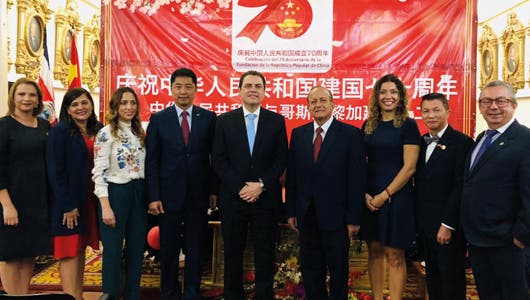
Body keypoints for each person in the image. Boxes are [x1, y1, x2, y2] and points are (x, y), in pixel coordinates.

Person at [212, 70, 288, 300]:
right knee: (233, 254)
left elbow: (281, 158)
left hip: (265, 200)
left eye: (258, 86)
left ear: (264, 91)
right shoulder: (224, 121)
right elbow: (218, 159)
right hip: (234, 199)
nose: (253, 89)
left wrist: (261, 185)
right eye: (248, 85)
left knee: (265, 254)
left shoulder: (276, 121)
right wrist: (241, 187)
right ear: (240, 90)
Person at [285, 86, 366, 299]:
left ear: (333, 104)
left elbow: (357, 179)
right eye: (313, 101)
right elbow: (293, 177)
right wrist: (291, 211)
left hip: (337, 217)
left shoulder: (351, 134)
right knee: (311, 270)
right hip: (307, 214)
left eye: (323, 100)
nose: (318, 105)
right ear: (308, 106)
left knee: (338, 270)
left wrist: (353, 218)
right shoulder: (299, 134)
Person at [145, 67, 218, 300]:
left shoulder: (208, 118)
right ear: (171, 89)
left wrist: (214, 190)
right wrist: (153, 195)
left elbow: (213, 158)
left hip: (198, 194)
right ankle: (168, 292)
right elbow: (152, 161)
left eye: (188, 86)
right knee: (168, 248)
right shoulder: (159, 119)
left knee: (195, 247)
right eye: (178, 87)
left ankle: (192, 292)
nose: (183, 91)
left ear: (196, 89)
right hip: (167, 197)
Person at [461, 80, 530, 299]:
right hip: (479, 239)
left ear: (513, 105)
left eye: (501, 101)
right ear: (480, 106)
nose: (493, 107)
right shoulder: (482, 138)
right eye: (487, 101)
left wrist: (521, 235)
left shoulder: (525, 139)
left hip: (509, 242)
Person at [360, 74, 421, 300]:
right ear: (376, 96)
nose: (388, 97)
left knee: (395, 254)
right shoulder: (369, 124)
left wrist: (384, 195)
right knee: (374, 251)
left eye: (393, 92)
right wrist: (366, 194)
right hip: (370, 197)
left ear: (401, 96)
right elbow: (359, 162)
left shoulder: (408, 124)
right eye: (383, 92)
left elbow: (410, 168)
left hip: (396, 196)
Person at [414, 93, 473, 300]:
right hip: (425, 226)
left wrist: (448, 224)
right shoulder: (420, 142)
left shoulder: (462, 142)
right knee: (434, 279)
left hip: (447, 227)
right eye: (426, 111)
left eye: (436, 110)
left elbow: (460, 187)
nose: (431, 115)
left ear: (448, 111)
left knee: (452, 282)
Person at [46, 88, 103, 300]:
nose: (81, 108)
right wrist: (67, 205)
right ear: (68, 110)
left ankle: (77, 295)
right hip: (68, 204)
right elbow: (55, 170)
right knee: (69, 252)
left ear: (91, 104)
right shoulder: (60, 131)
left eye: (84, 103)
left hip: (89, 200)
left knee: (80, 252)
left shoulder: (97, 129)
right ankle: (70, 296)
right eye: (75, 104)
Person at [92, 87, 147, 300]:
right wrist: (105, 206)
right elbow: (99, 172)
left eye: (133, 103)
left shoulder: (139, 132)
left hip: (138, 193)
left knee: (136, 250)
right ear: (115, 106)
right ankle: (111, 296)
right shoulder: (106, 133)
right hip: (115, 194)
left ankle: (133, 295)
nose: (129, 107)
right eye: (124, 103)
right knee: (113, 253)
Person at [0, 78, 50, 294]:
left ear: (38, 99)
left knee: (30, 251)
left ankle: (23, 294)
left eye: (31, 95)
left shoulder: (44, 126)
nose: (26, 99)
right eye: (21, 94)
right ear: (13, 97)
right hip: (12, 198)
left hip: (37, 198)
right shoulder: (3, 126)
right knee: (11, 255)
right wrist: (6, 205)